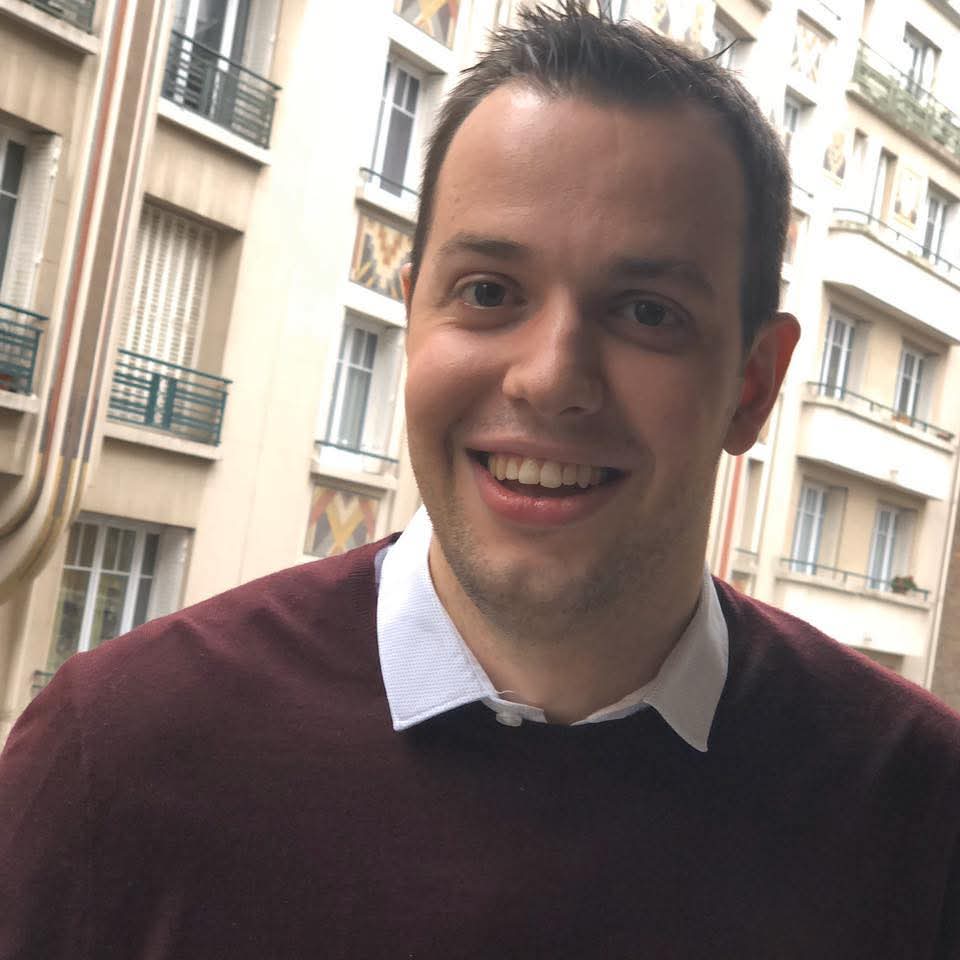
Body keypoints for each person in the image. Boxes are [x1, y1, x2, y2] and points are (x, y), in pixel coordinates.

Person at [2, 6, 959, 958]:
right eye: (489, 293)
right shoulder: (113, 760)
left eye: (647, 312)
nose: (550, 377)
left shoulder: (922, 809)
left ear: (752, 386)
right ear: (412, 316)